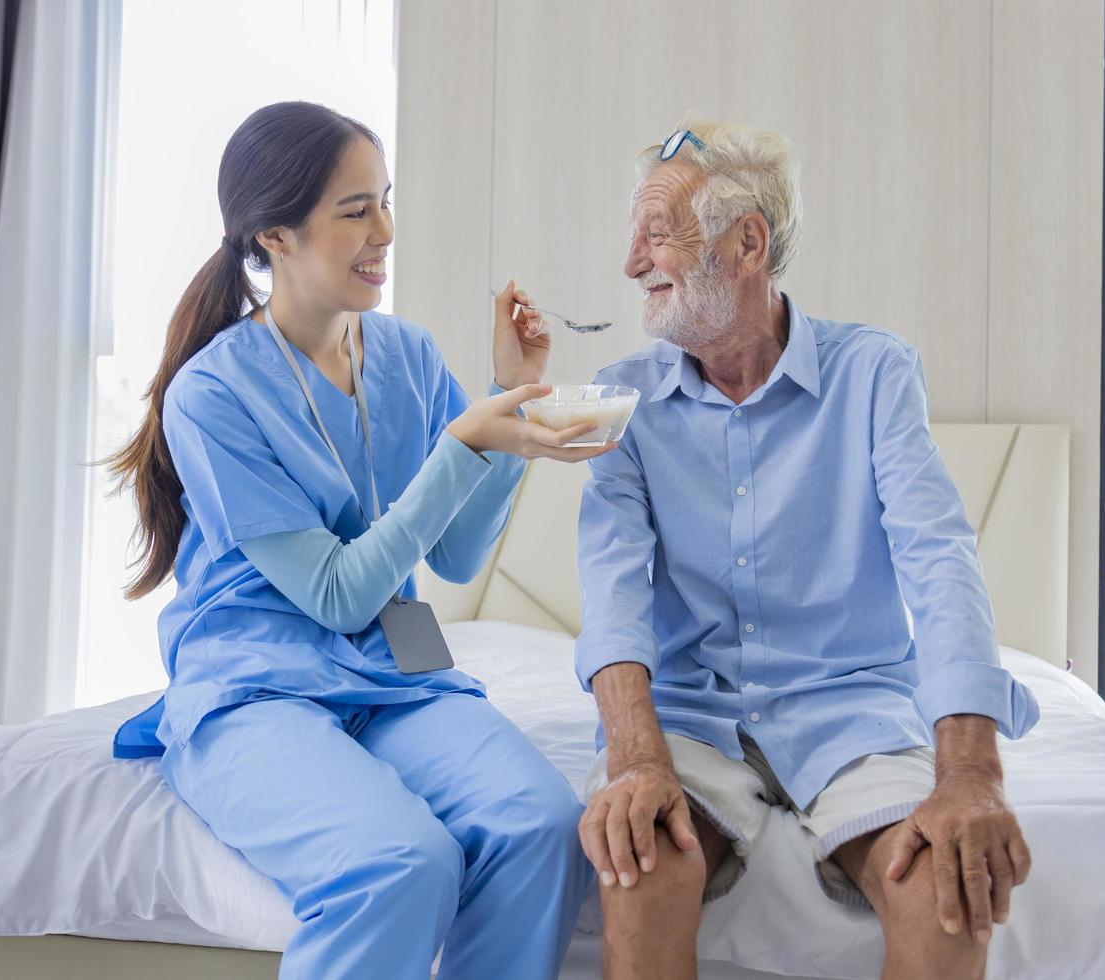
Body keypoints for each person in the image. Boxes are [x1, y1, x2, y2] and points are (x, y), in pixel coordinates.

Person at [106, 101, 603, 980]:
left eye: (386, 202)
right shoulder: (212, 395)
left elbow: (452, 557)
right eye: (355, 210)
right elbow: (336, 592)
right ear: (276, 237)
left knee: (543, 824)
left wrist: (509, 400)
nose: (386, 231)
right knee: (399, 861)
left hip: (394, 664)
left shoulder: (406, 356)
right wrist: (462, 447)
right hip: (257, 682)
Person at [574, 116, 1041, 980]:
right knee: (637, 863)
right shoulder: (620, 400)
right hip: (693, 716)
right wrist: (633, 759)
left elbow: (939, 561)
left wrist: (971, 769)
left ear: (746, 244)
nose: (632, 261)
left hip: (851, 709)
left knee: (948, 887)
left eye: (657, 234)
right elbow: (613, 592)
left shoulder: (875, 375)